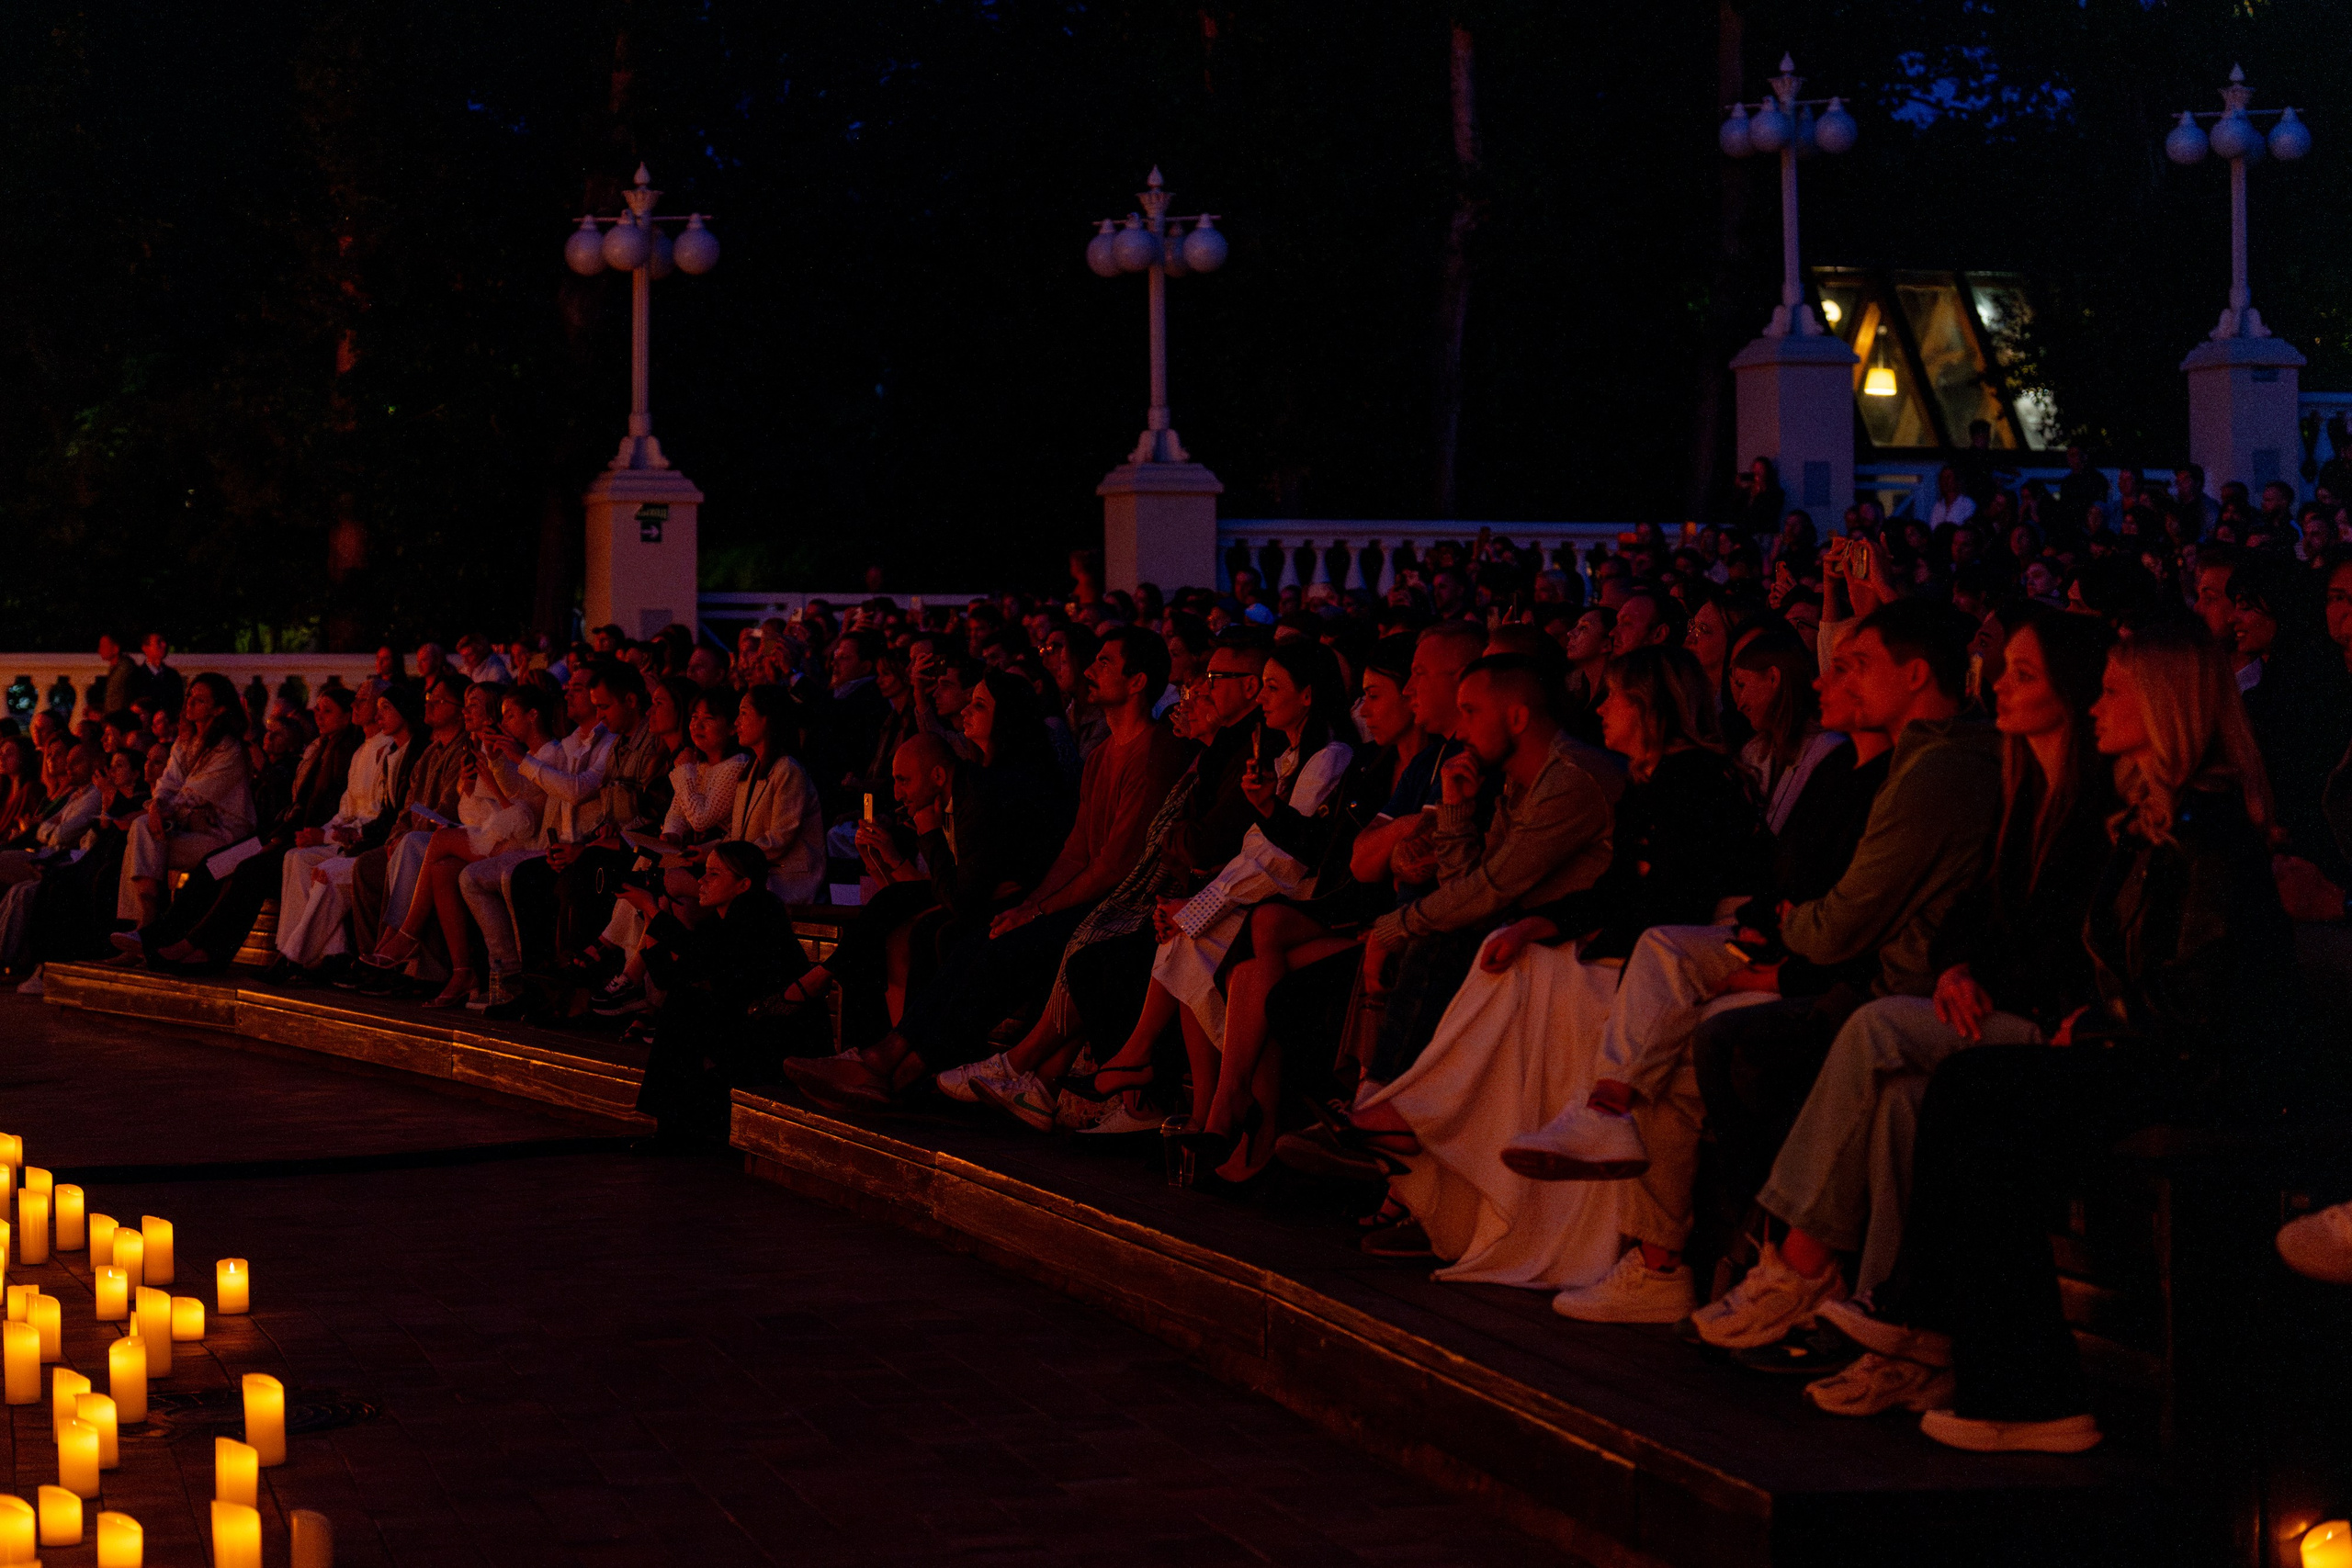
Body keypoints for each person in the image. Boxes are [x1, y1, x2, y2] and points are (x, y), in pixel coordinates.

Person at [1819, 622, 2295, 1454]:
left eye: (2112, 691)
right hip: (2148, 1055)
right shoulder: (2146, 819)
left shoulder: (2206, 830)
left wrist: (2101, 1024)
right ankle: (1979, 1356)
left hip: (2193, 1074)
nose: (2094, 705)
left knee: (1982, 1093)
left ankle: (2010, 1377)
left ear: (2165, 706)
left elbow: (2204, 993)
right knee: (1974, 1094)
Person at [1690, 609, 2119, 1368]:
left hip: (2055, 1027)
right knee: (1894, 1097)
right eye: (2003, 670)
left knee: (1871, 1029)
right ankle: (1892, 1334)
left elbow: (2066, 940)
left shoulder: (2070, 798)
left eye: (2023, 674)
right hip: (1973, 995)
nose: (1999, 685)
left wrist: (1979, 974)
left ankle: (1796, 1265)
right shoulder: (2022, 781)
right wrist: (1957, 965)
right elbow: (1977, 910)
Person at [1352, 647, 1760, 1285]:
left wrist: (1556, 927)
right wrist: (1541, 922)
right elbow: (1604, 889)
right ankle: (1421, 1126)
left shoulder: (1690, 780)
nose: (1600, 709)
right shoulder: (1645, 781)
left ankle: (1418, 1115)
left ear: (1648, 707)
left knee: (1524, 967)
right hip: (1650, 938)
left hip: (1696, 945)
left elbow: (1671, 899)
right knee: (1513, 955)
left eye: (1614, 697)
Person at [784, 626, 1186, 1107]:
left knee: (991, 944)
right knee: (983, 936)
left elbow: (1114, 864)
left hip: (1120, 908)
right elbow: (1077, 851)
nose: (1089, 670)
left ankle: (891, 1070)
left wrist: (1037, 910)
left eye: (1105, 662)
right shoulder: (1101, 756)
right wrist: (1031, 907)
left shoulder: (1155, 751)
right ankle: (884, 1067)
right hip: (1082, 896)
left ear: (1138, 681)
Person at [1080, 641, 1355, 1168]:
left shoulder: (1330, 757)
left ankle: (1216, 1101)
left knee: (1193, 939)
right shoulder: (1282, 755)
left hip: (1306, 905)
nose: (1263, 698)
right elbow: (1250, 849)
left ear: (1308, 695)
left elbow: (1282, 861)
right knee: (1183, 939)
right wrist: (1195, 904)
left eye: (1272, 687)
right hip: (1266, 894)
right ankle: (1205, 1105)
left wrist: (1199, 907)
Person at [129, 682, 368, 970]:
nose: (318, 716)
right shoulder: (321, 749)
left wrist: (279, 838)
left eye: (327, 711)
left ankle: (202, 949)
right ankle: (165, 937)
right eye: (317, 709)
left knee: (245, 870)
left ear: (346, 716)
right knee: (212, 866)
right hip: (275, 834)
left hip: (296, 838)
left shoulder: (341, 755)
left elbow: (314, 807)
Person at [630, 840, 817, 1151]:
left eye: (714, 874)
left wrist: (653, 910)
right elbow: (670, 977)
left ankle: (672, 1128)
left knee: (686, 1006)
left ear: (744, 884)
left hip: (774, 1032)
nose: (702, 881)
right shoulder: (720, 920)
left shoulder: (758, 914)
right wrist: (652, 914)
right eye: (704, 872)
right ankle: (671, 1126)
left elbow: (704, 960)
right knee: (682, 1001)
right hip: (745, 1022)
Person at [117, 672, 254, 931]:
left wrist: (162, 811)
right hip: (187, 827)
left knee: (141, 839)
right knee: (141, 830)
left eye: (200, 700)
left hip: (222, 836)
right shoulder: (185, 743)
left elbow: (194, 794)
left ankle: (144, 925)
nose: (189, 702)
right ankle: (144, 918)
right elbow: (168, 783)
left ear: (218, 709)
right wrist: (156, 806)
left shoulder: (229, 749)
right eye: (190, 695)